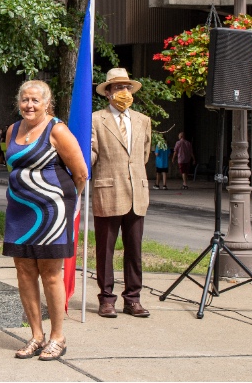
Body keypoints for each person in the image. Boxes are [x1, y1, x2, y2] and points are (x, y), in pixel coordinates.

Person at [3, 80, 87, 361]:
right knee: (24, 272)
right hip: (19, 212)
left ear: (47, 103)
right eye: (25, 100)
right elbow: (13, 165)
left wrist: (67, 205)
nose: (29, 105)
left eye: (35, 101)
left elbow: (81, 173)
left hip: (52, 213)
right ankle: (36, 336)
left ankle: (57, 337)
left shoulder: (57, 130)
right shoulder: (13, 130)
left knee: (51, 274)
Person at [91, 68, 152, 318]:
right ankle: (107, 299)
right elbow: (91, 152)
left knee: (134, 249)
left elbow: (143, 155)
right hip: (107, 191)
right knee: (105, 249)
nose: (123, 92)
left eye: (127, 87)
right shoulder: (96, 119)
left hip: (137, 193)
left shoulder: (142, 120)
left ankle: (133, 298)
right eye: (117, 88)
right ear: (107, 93)